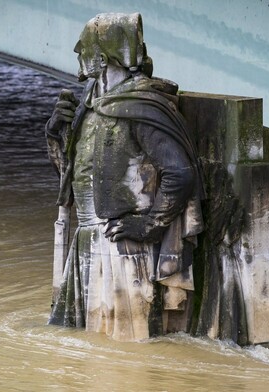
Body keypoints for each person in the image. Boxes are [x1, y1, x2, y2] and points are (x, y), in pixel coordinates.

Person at [46, 12, 203, 341]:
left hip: (123, 250)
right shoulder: (91, 104)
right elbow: (76, 178)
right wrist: (57, 134)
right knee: (81, 349)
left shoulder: (142, 107)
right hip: (87, 241)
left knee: (129, 350)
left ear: (102, 57)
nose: (77, 52)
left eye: (83, 47)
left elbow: (180, 174)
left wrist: (147, 226)